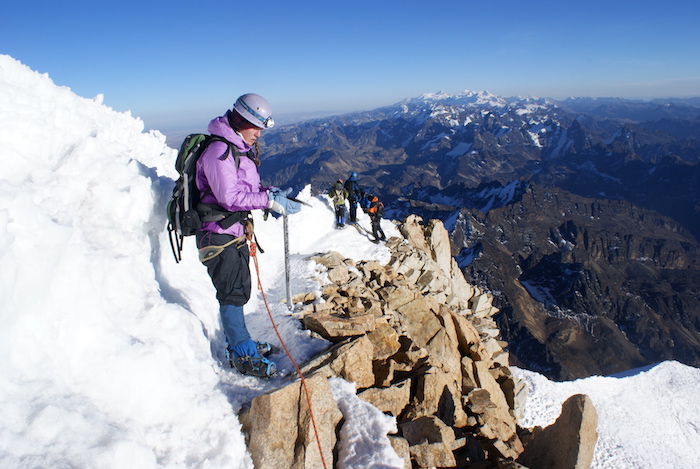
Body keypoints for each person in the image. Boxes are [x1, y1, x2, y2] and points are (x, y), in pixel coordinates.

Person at [195, 93, 301, 378]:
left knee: (239, 289)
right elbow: (229, 197)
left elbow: (242, 187)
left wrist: (267, 194)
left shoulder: (235, 149)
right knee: (231, 293)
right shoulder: (219, 152)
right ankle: (242, 354)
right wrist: (267, 201)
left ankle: (241, 342)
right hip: (218, 234)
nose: (259, 133)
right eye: (255, 126)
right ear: (241, 121)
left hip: (232, 232)